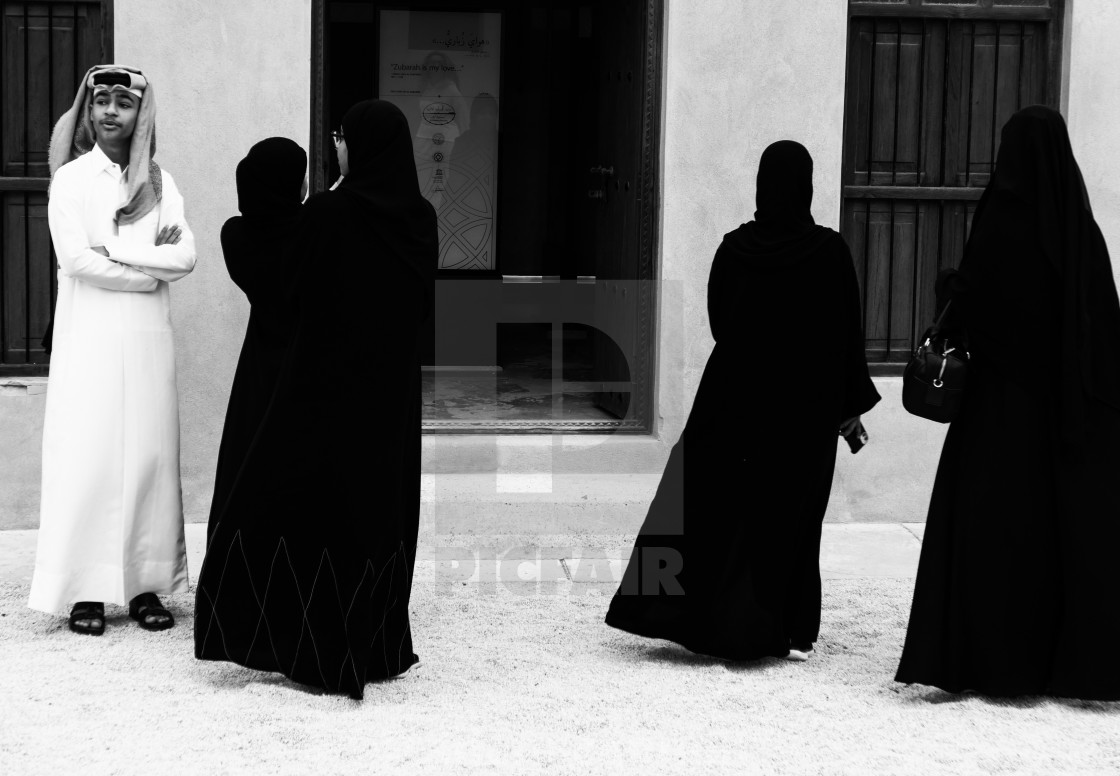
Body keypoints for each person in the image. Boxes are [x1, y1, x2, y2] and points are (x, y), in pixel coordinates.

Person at [194, 100, 437, 700]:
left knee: (315, 511)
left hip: (330, 390)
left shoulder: (329, 212)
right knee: (378, 511)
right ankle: (376, 642)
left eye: (341, 137)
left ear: (359, 145)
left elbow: (291, 287)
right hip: (391, 398)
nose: (336, 147)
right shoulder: (422, 218)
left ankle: (308, 637)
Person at [605, 140, 880, 662]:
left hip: (733, 396)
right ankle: (788, 629)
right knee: (790, 517)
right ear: (807, 185)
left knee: (713, 505)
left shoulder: (734, 248)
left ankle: (694, 617)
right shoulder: (830, 251)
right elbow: (847, 335)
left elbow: (719, 322)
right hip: (805, 406)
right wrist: (849, 407)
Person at [896, 106, 1120, 700]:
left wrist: (948, 285)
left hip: (998, 413)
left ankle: (991, 663)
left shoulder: (999, 226)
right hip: (1069, 420)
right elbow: (1104, 330)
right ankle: (1069, 666)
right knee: (1065, 539)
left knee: (993, 538)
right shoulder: (1082, 234)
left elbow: (970, 307)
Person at [29, 65, 196, 634]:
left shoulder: (160, 183)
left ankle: (146, 587)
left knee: (149, 459)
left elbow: (185, 257)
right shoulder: (71, 180)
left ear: (140, 115)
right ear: (87, 110)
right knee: (90, 459)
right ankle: (84, 592)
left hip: (147, 346)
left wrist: (118, 252)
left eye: (123, 103)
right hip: (91, 342)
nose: (109, 113)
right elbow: (76, 260)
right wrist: (146, 264)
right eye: (101, 101)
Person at [205, 137, 307, 545]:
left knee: (249, 459)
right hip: (306, 358)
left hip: (259, 361)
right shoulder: (312, 229)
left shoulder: (235, 234)